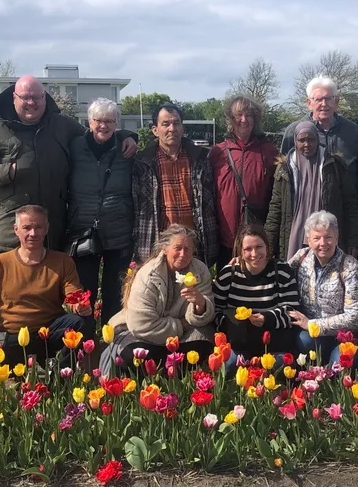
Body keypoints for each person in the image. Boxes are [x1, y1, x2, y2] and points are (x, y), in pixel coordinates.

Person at [0, 75, 136, 253]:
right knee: (14, 280)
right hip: (12, 230)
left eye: (36, 97)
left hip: (53, 230)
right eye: (25, 97)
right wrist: (9, 170)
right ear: (15, 98)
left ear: (44, 98)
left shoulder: (61, 124)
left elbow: (96, 134)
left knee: (51, 280)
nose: (31, 102)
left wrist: (126, 136)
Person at [0, 205, 94, 367]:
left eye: (38, 227)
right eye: (26, 228)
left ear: (46, 229)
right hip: (13, 336)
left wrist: (79, 306)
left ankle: (59, 377)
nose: (33, 233)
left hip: (48, 333)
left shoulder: (62, 261)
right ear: (16, 229)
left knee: (79, 322)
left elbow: (74, 295)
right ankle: (20, 368)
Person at [100, 224, 215, 370]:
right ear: (165, 249)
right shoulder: (148, 275)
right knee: (134, 356)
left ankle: (179, 381)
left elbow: (206, 316)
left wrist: (201, 305)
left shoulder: (200, 270)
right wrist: (182, 325)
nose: (182, 254)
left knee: (205, 346)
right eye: (177, 248)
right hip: (145, 336)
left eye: (187, 249)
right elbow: (141, 325)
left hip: (184, 335)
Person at [66, 98, 135, 325]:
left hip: (119, 231)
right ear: (89, 121)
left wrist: (130, 136)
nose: (103, 126)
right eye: (98, 120)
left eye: (109, 121)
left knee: (115, 294)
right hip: (83, 230)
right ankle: (84, 346)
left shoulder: (127, 151)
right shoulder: (74, 147)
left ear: (117, 124)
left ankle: (111, 346)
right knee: (84, 294)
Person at [132, 104, 219, 266]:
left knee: (193, 290)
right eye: (165, 124)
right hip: (158, 244)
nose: (172, 129)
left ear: (182, 127)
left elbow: (211, 201)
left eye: (176, 123)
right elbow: (135, 207)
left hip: (194, 245)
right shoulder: (142, 162)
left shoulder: (200, 159)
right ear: (155, 130)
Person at [265, 121, 358, 261]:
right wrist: (268, 244)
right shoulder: (285, 169)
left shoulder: (334, 166)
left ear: (318, 140)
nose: (306, 144)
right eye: (302, 140)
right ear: (295, 141)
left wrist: (353, 240)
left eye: (311, 139)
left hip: (324, 239)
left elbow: (350, 205)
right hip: (294, 238)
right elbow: (275, 209)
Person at [288, 211, 358, 367]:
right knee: (303, 341)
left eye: (328, 237)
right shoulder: (301, 258)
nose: (323, 243)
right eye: (316, 238)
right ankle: (320, 364)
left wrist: (314, 325)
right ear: (308, 240)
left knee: (340, 365)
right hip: (315, 333)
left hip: (349, 334)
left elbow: (355, 315)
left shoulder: (349, 266)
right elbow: (280, 275)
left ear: (337, 238)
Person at [281, 75, 358, 216]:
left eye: (328, 98)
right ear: (308, 103)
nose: (324, 104)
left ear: (336, 101)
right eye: (318, 99)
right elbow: (283, 176)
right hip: (305, 212)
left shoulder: (352, 131)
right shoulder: (294, 132)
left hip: (345, 213)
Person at [213, 223, 300, 364]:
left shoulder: (282, 271)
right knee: (230, 365)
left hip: (273, 340)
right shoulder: (229, 274)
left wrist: (267, 318)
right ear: (240, 251)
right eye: (248, 249)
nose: (254, 254)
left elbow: (293, 311)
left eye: (259, 247)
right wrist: (233, 323)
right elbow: (215, 310)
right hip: (239, 341)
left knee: (279, 365)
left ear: (267, 246)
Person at [209, 96, 278, 269]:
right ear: (231, 119)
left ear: (256, 119)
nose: (244, 120)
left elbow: (277, 196)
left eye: (249, 115)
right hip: (225, 238)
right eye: (239, 115)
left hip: (257, 238)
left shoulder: (268, 151)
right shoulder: (218, 152)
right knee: (227, 288)